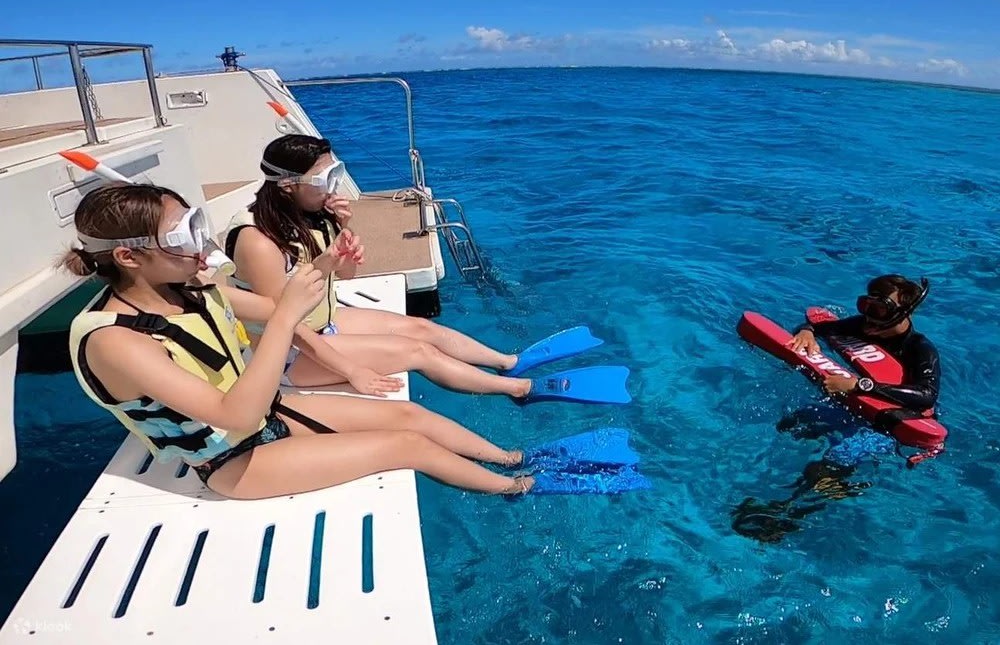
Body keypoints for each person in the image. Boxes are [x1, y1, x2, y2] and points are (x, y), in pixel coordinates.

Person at [61, 182, 648, 499]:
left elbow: (293, 307)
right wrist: (287, 317)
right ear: (129, 255)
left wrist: (329, 263)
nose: (200, 243)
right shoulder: (116, 342)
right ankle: (517, 486)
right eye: (182, 233)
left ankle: (512, 456)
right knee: (405, 448)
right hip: (231, 459)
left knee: (412, 418)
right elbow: (233, 413)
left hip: (270, 414)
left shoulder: (193, 291)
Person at [222, 134, 613, 402]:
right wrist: (352, 370)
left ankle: (509, 363)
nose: (333, 186)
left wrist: (342, 240)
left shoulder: (315, 214)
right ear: (288, 184)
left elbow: (344, 279)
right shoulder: (258, 242)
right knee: (418, 352)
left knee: (421, 326)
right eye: (325, 179)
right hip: (285, 354)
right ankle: (521, 390)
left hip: (324, 322)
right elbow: (282, 326)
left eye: (336, 173)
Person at [731, 274, 941, 542]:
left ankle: (786, 518)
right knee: (793, 424)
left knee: (823, 469)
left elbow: (926, 395)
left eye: (879, 309)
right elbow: (822, 327)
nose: (869, 317)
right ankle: (832, 483)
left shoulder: (921, 349)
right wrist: (807, 332)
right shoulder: (864, 326)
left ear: (903, 312)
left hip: (891, 428)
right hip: (860, 410)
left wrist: (858, 385)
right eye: (865, 306)